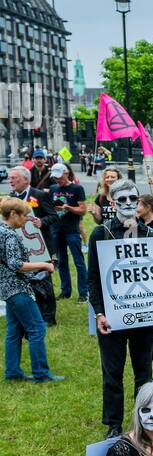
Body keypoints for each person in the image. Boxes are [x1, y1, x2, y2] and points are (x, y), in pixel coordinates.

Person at [88, 179, 153, 435]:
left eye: (133, 199)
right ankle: (114, 424)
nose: (129, 204)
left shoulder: (150, 234)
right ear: (111, 202)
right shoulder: (101, 234)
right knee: (112, 372)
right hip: (112, 315)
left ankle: (145, 421)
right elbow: (93, 278)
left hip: (143, 315)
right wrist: (99, 313)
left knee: (144, 371)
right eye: (122, 199)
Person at [0, 196, 63, 382]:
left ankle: (12, 372)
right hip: (17, 288)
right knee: (37, 328)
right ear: (13, 214)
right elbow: (15, 264)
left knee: (14, 331)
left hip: (5, 288)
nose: (26, 219)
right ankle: (41, 374)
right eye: (24, 216)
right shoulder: (10, 234)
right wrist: (44, 265)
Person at [7, 163, 59, 327]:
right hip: (21, 247)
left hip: (41, 247)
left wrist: (41, 221)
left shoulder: (39, 195)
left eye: (13, 178)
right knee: (28, 281)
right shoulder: (10, 198)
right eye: (9, 178)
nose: (10, 181)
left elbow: (54, 216)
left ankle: (49, 317)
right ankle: (33, 313)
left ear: (25, 179)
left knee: (44, 281)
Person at [48, 161, 88, 300]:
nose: (57, 179)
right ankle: (65, 291)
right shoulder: (53, 188)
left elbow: (83, 210)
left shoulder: (77, 189)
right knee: (61, 261)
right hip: (56, 229)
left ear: (66, 173)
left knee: (79, 262)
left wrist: (68, 208)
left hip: (72, 230)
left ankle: (83, 293)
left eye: (59, 176)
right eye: (55, 177)